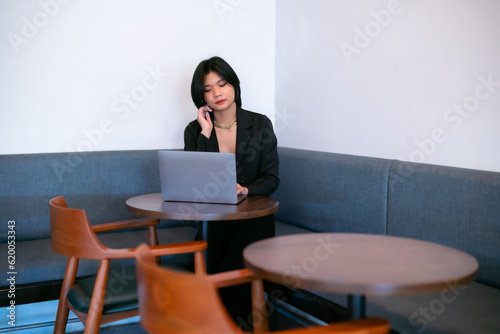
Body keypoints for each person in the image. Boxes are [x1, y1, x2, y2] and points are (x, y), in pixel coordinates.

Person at [184, 56, 279, 326]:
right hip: (213, 218)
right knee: (205, 264)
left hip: (254, 218)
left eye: (222, 84)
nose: (217, 93)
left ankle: (223, 325)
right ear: (201, 96)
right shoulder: (194, 130)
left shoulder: (260, 124)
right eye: (208, 89)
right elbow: (195, 181)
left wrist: (247, 189)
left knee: (230, 268)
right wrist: (206, 133)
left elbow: (272, 179)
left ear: (234, 85)